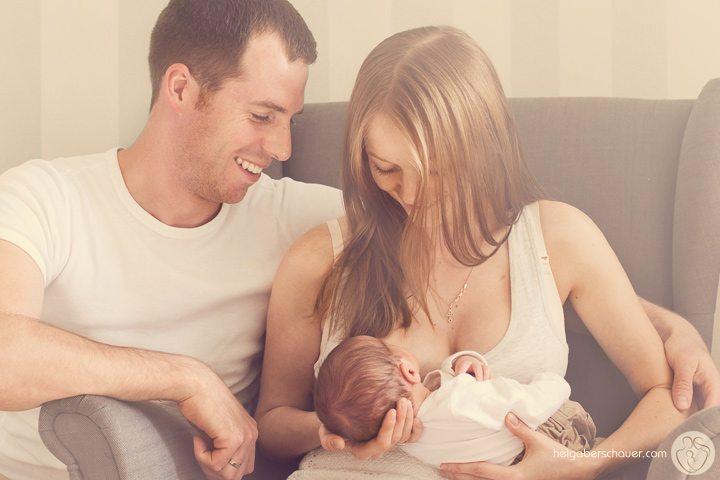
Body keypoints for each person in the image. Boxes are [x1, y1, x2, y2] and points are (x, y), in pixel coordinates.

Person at [254, 25, 718, 479]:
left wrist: (584, 464)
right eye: (387, 168)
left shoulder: (559, 240)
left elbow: (669, 394)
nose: (411, 195)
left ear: (484, 146)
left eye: (436, 170)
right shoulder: (319, 260)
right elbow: (271, 424)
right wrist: (332, 432)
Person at [0, 1, 344, 479]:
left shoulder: (298, 219)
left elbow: (442, 225)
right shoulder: (44, 197)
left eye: (291, 120)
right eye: (262, 116)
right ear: (181, 88)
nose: (282, 148)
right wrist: (185, 378)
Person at [314, 335, 598, 467]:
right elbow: (530, 406)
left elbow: (437, 395)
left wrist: (462, 362)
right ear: (409, 371)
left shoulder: (408, 441)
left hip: (513, 464)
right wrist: (552, 382)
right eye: (388, 345)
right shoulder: (461, 399)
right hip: (557, 433)